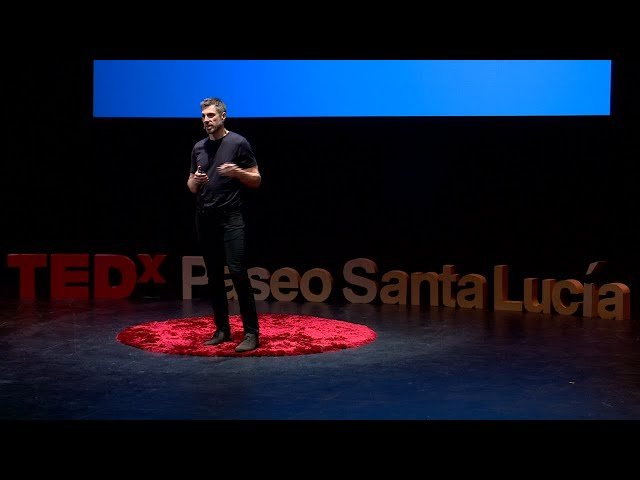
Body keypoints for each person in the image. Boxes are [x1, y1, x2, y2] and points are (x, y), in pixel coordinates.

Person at [187, 97, 261, 352]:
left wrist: (237, 172)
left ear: (223, 116)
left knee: (238, 272)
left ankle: (251, 333)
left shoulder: (238, 143)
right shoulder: (199, 147)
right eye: (203, 116)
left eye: (211, 115)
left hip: (230, 218)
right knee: (214, 275)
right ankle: (222, 330)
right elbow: (190, 186)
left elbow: (257, 179)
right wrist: (196, 180)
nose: (206, 120)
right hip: (205, 217)